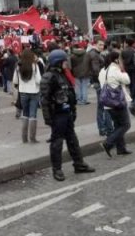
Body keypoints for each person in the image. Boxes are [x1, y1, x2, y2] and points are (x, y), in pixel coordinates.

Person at [40, 49, 95, 181]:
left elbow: (70, 93)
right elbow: (44, 100)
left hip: (67, 112)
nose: (66, 63)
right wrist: (48, 119)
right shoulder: (49, 77)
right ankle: (57, 169)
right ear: (58, 62)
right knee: (57, 143)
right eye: (64, 61)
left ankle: (79, 164)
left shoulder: (63, 74)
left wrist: (73, 110)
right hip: (57, 114)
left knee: (72, 140)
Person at [98, 51, 132, 157]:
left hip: (108, 103)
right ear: (116, 59)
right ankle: (108, 143)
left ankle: (121, 148)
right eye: (120, 59)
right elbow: (127, 81)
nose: (122, 61)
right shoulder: (115, 70)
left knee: (118, 125)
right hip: (117, 102)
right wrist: (122, 69)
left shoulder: (103, 70)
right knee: (126, 124)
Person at [13, 49, 42, 143]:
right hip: (34, 91)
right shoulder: (35, 66)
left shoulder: (18, 66)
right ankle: (32, 137)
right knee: (33, 114)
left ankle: (24, 138)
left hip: (23, 92)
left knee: (25, 114)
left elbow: (15, 81)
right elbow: (38, 80)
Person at [87, 39, 113, 136]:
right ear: (95, 44)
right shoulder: (94, 54)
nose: (102, 46)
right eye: (100, 44)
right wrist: (103, 78)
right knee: (102, 106)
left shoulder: (95, 53)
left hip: (99, 82)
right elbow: (95, 70)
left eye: (103, 45)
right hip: (99, 82)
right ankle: (103, 128)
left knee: (102, 106)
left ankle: (104, 127)